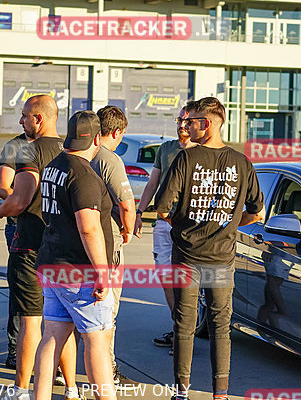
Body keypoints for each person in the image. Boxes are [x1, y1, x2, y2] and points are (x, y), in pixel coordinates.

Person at [154, 97, 264, 400]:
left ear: (211, 124)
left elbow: (162, 208)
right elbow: (257, 212)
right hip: (221, 258)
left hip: (187, 256)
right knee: (220, 327)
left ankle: (182, 391)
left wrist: (182, 223)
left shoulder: (186, 159)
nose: (187, 127)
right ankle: (220, 394)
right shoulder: (242, 162)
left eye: (194, 122)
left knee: (184, 325)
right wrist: (226, 223)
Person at [0, 95, 81, 400]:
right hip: (63, 251)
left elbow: (18, 199)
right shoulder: (72, 151)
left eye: (25, 116)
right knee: (62, 321)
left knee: (31, 322)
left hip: (30, 248)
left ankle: (19, 390)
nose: (21, 121)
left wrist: (1, 209)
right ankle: (71, 388)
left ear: (39, 119)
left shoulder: (30, 150)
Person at [32, 111, 117, 400]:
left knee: (52, 335)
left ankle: (40, 395)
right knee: (96, 338)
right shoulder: (84, 174)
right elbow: (89, 228)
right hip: (79, 271)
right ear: (96, 138)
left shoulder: (54, 166)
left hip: (52, 263)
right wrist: (102, 273)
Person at [133, 106, 196, 353]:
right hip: (162, 223)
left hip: (189, 226)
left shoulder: (204, 152)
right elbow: (152, 183)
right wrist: (139, 212)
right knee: (166, 277)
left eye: (187, 121)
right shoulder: (166, 149)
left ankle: (185, 333)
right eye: (179, 120)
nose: (181, 125)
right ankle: (178, 327)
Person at [89, 106, 138, 389]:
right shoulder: (110, 159)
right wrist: (128, 230)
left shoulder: (81, 155)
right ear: (117, 132)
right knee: (108, 313)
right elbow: (126, 204)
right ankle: (108, 372)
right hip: (108, 245)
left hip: (79, 243)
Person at [0, 132, 31, 369]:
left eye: (25, 116)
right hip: (19, 226)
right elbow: (2, 189)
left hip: (47, 228)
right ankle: (15, 350)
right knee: (21, 291)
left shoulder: (54, 145)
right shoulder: (15, 146)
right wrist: (26, 204)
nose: (21, 121)